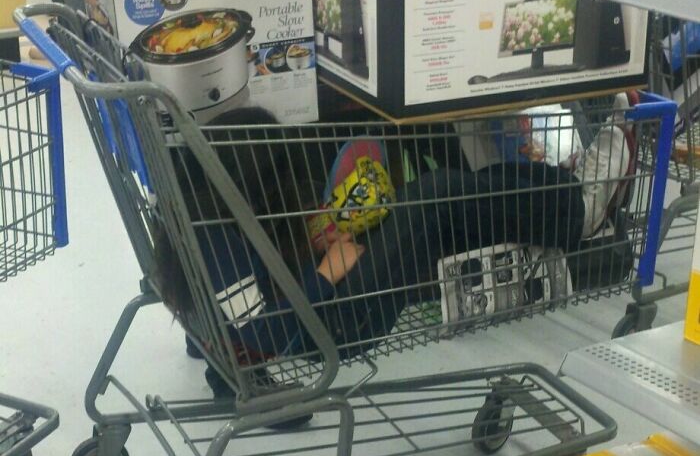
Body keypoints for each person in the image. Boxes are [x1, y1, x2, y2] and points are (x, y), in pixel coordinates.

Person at [156, 105, 630, 393]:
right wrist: (325, 272)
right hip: (333, 328)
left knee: (444, 202)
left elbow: (242, 305)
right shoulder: (215, 243)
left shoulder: (198, 213)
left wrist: (312, 249)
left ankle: (565, 193)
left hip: (317, 308)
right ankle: (575, 206)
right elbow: (264, 334)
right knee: (433, 197)